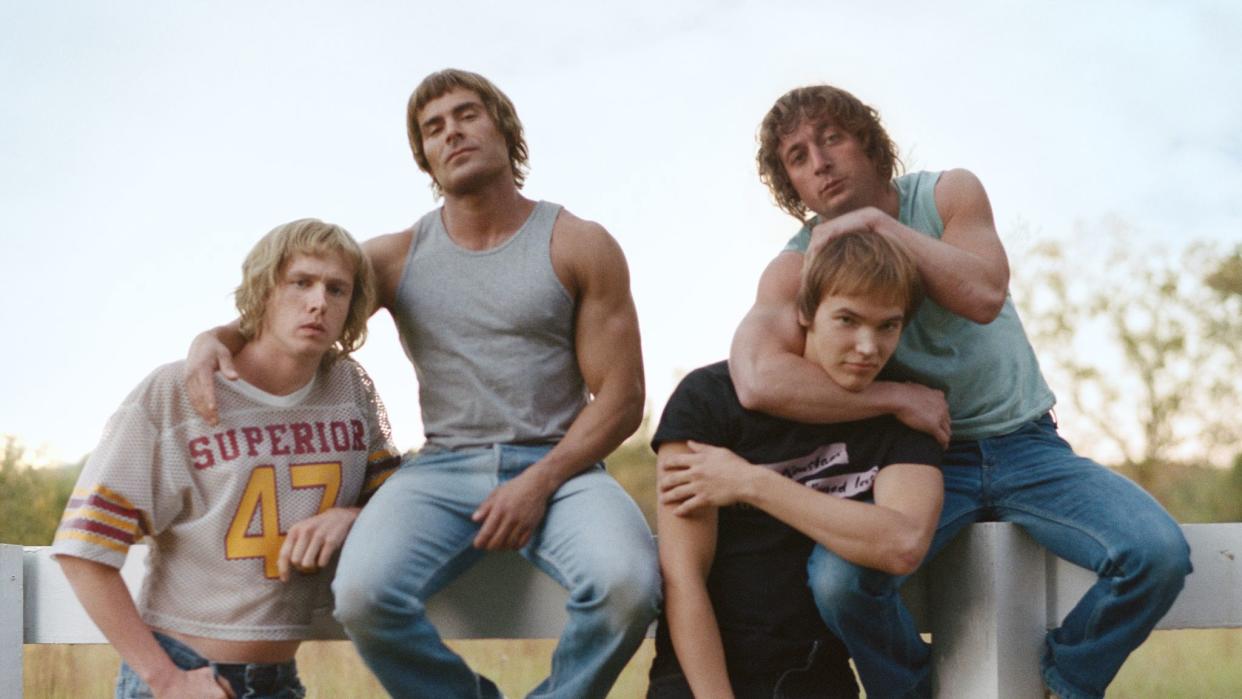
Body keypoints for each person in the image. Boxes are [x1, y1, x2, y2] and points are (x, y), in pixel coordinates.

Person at [184, 69, 661, 699]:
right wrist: (212, 339)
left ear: (505, 130)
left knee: (628, 585)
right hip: (442, 469)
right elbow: (300, 302)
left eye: (467, 115)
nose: (452, 133)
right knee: (361, 596)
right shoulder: (396, 256)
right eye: (433, 128)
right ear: (425, 159)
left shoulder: (578, 243)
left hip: (563, 467)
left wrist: (537, 483)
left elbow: (623, 397)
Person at [729, 84, 1192, 699]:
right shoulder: (796, 266)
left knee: (1156, 553)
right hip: (915, 461)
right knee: (839, 583)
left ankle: (1065, 682)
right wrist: (892, 400)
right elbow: (758, 379)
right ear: (792, 185)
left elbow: (982, 295)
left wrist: (877, 227)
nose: (818, 161)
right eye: (797, 156)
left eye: (831, 137)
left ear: (868, 143)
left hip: (1028, 445)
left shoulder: (948, 194)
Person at [52, 219, 400, 699]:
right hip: (187, 673)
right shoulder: (177, 391)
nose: (319, 302)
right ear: (263, 293)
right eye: (301, 282)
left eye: (336, 289)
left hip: (279, 681)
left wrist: (352, 516)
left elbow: (399, 502)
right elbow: (83, 551)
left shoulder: (348, 387)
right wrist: (165, 678)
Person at [648, 230, 944, 699]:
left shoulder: (907, 409)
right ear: (806, 313)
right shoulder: (708, 401)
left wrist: (751, 483)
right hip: (703, 678)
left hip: (817, 676)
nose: (868, 347)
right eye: (847, 320)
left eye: (888, 326)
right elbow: (683, 577)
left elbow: (902, 542)